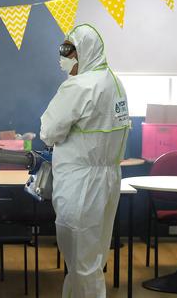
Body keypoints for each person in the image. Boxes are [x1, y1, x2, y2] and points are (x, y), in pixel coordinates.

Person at [40, 24, 130, 298]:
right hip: (108, 180)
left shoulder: (79, 85)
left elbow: (48, 132)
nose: (64, 56)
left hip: (81, 185)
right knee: (93, 259)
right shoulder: (113, 82)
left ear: (86, 52)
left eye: (69, 50)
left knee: (80, 261)